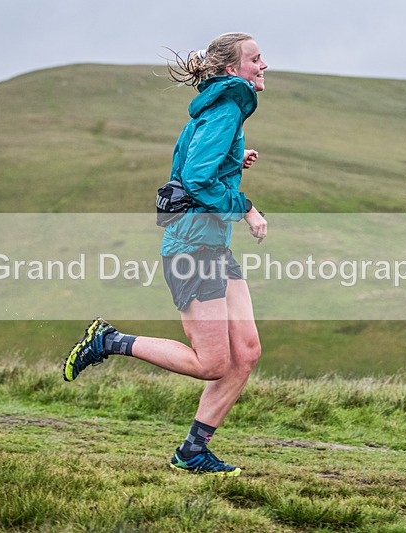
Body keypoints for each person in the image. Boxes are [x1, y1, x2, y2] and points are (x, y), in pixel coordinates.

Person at [63, 32, 268, 476]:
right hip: (193, 246)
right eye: (255, 59)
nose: (263, 65)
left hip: (211, 242)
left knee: (246, 353)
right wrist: (247, 208)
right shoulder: (228, 106)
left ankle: (192, 452)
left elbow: (193, 164)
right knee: (212, 363)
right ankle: (109, 340)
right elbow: (195, 179)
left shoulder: (222, 107)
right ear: (233, 70)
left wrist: (235, 159)